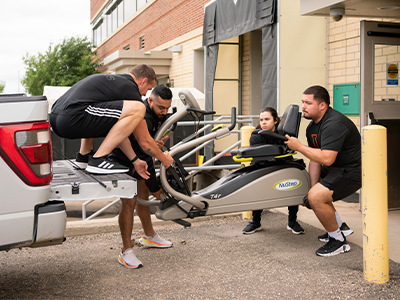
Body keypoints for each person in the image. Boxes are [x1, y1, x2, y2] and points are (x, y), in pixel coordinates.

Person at [50, 64, 173, 175]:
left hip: (57, 117)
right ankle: (98, 159)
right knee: (139, 107)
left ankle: (83, 157)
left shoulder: (115, 85)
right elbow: (144, 141)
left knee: (100, 110)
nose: (146, 94)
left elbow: (120, 133)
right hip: (71, 116)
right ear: (143, 81)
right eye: (148, 88)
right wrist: (164, 159)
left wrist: (135, 160)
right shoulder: (130, 90)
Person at [285, 85, 360, 257]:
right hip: (335, 168)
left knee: (317, 197)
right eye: (303, 102)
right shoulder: (312, 127)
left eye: (308, 103)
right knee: (308, 188)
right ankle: (340, 227)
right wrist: (312, 186)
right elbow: (315, 158)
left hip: (352, 171)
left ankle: (339, 241)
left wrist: (300, 147)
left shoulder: (334, 124)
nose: (303, 106)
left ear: (322, 106)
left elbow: (326, 158)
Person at [110, 85, 173, 269]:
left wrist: (154, 144)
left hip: (141, 159)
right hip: (123, 159)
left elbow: (147, 143)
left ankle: (149, 235)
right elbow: (140, 143)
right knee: (129, 202)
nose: (164, 111)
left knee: (143, 194)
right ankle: (126, 251)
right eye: (161, 107)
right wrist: (154, 148)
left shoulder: (158, 114)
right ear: (150, 100)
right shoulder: (142, 113)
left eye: (168, 108)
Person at [242, 107, 305, 235]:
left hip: (282, 164)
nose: (263, 122)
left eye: (267, 119)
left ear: (275, 120)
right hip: (262, 166)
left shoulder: (284, 134)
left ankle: (292, 222)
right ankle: (255, 222)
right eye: (261, 120)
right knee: (258, 190)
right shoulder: (255, 135)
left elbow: (288, 150)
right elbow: (261, 153)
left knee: (293, 185)